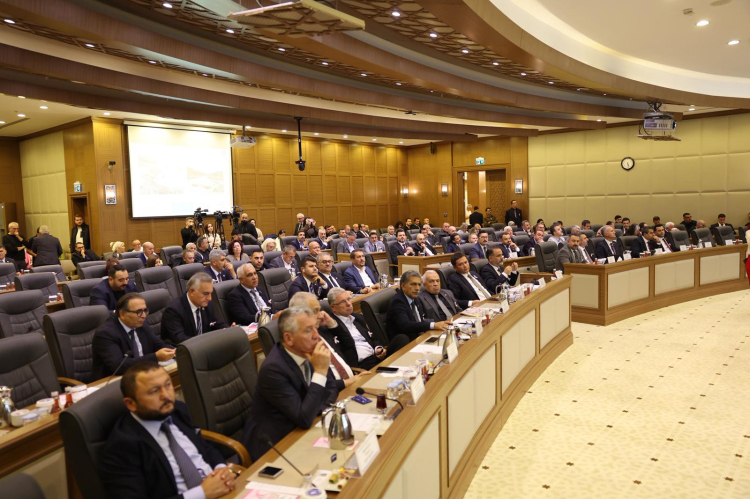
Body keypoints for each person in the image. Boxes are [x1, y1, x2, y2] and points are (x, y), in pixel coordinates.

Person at [98, 361, 236, 499]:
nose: (166, 395)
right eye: (154, 391)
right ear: (131, 404)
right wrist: (203, 493)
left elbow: (204, 447)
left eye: (168, 385)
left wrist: (221, 471)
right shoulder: (122, 446)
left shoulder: (177, 410)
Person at [242, 307, 342, 460]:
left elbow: (332, 387)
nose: (316, 335)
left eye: (315, 327)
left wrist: (314, 408)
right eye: (308, 330)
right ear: (288, 339)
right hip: (276, 444)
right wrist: (320, 371)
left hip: (306, 427)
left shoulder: (309, 350)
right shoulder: (273, 369)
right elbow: (304, 418)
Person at [92, 294, 176, 379]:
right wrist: (155, 357)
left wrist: (175, 351)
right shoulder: (105, 333)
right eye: (138, 312)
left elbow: (159, 345)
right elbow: (118, 366)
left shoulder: (141, 324)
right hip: (115, 381)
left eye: (145, 310)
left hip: (144, 373)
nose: (144, 315)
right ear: (122, 314)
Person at [328, 288, 410, 368]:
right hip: (363, 364)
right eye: (343, 302)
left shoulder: (358, 318)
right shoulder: (332, 326)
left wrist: (377, 348)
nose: (348, 303)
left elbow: (372, 338)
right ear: (333, 308)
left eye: (348, 299)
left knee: (402, 338)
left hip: (375, 356)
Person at [161, 273, 229, 344]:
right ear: (192, 291)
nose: (210, 298)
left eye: (210, 293)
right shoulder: (174, 310)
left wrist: (228, 329)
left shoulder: (207, 304)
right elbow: (180, 339)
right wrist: (207, 342)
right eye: (206, 293)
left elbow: (216, 323)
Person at [386, 270, 450, 342]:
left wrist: (437, 324)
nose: (417, 288)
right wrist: (433, 325)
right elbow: (406, 325)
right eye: (413, 284)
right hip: (407, 343)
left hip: (422, 338)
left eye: (419, 285)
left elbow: (420, 321)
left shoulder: (415, 299)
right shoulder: (398, 301)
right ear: (403, 286)